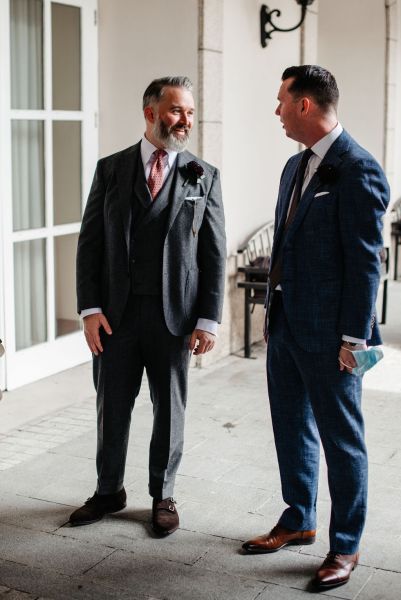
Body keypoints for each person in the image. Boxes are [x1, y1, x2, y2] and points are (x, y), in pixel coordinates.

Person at [242, 65, 389, 590]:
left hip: (332, 337)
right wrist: (271, 313)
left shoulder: (360, 170)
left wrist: (354, 339)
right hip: (285, 325)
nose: (276, 110)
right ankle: (299, 516)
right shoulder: (292, 167)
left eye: (281, 100)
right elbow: (286, 246)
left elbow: (366, 263)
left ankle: (345, 544)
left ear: (305, 105)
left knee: (342, 441)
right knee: (290, 426)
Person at [71, 76, 226, 535]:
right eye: (177, 110)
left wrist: (208, 319)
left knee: (170, 408)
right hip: (115, 317)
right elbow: (90, 245)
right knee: (111, 406)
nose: (185, 121)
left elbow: (213, 254)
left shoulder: (205, 175)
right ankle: (108, 491)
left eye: (191, 112)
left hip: (174, 319)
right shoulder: (110, 170)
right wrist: (89, 309)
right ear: (150, 112)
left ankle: (164, 494)